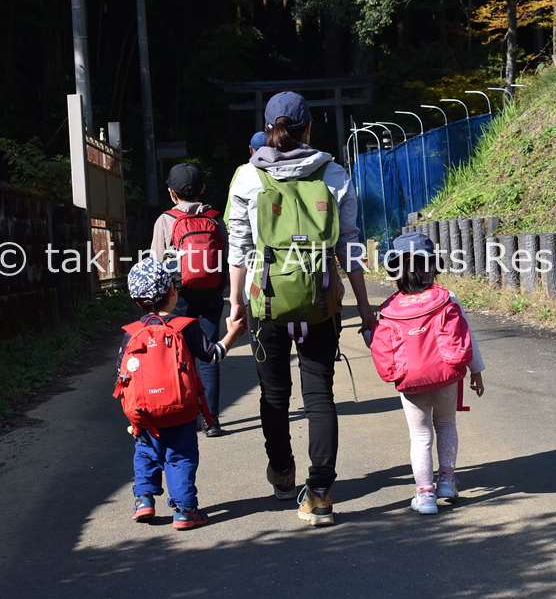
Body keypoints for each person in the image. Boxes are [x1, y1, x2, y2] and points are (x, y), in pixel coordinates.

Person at [226, 91, 376, 527]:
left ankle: (282, 474)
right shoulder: (333, 173)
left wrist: (235, 305)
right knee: (319, 394)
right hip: (320, 298)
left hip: (266, 299)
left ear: (269, 129)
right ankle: (323, 493)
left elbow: (238, 248)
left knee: (274, 394)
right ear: (309, 127)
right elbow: (349, 244)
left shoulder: (246, 178)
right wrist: (364, 306)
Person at [116, 256, 245, 529]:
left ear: (136, 300)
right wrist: (232, 333)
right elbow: (211, 356)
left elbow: (122, 374)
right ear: (173, 292)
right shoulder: (185, 327)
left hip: (145, 413)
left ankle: (144, 500)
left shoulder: (131, 333)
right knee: (180, 457)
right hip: (181, 409)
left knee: (145, 453)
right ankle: (185, 510)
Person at [369, 232, 485, 515]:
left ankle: (425, 495)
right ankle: (446, 481)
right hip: (446, 377)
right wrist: (476, 371)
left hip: (411, 382)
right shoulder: (447, 299)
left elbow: (382, 347)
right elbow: (466, 336)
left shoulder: (389, 309)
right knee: (446, 425)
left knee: (420, 435)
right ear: (432, 265)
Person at [151, 163, 228, 437]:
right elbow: (225, 258)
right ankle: (212, 421)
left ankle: (186, 415)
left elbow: (156, 263)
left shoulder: (165, 220)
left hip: (177, 298)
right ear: (203, 189)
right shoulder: (215, 219)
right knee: (208, 355)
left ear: (172, 193)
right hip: (211, 293)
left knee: (180, 355)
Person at [223, 131, 268, 229]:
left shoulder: (242, 171)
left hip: (243, 228)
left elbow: (232, 200)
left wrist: (227, 226)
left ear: (250, 149)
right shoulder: (278, 171)